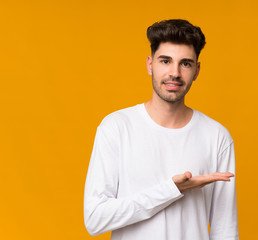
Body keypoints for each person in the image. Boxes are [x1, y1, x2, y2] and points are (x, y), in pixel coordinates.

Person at [84, 19, 239, 240]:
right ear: (150, 64)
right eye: (165, 61)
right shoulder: (116, 127)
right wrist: (171, 190)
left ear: (197, 70)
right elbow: (95, 219)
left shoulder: (217, 136)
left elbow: (225, 230)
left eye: (185, 63)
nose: (174, 73)